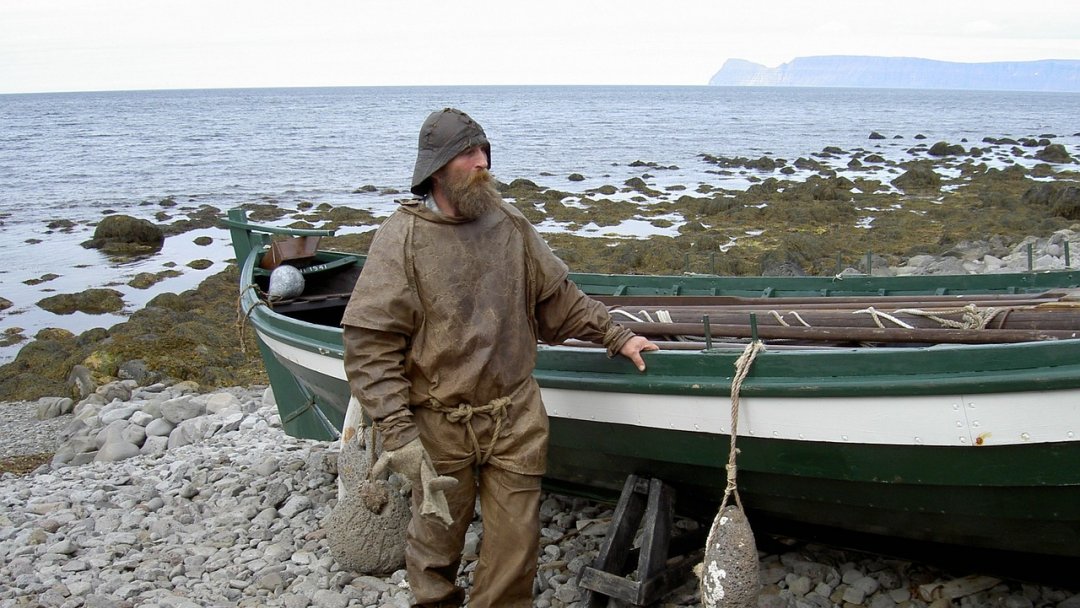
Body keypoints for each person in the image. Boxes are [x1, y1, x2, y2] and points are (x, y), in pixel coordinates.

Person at [341, 107, 658, 608]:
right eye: (468, 153)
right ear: (438, 168)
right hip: (439, 423)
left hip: (515, 416)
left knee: (516, 545)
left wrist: (617, 337)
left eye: (484, 150)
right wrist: (399, 436)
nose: (482, 161)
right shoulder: (402, 239)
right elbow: (370, 345)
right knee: (436, 541)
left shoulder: (509, 224)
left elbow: (559, 300)